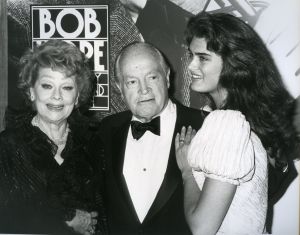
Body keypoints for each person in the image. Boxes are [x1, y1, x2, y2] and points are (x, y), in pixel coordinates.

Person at [175, 12, 297, 235]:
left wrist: (187, 172)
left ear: (233, 63)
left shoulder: (228, 124)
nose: (191, 66)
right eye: (191, 55)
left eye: (202, 58)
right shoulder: (249, 123)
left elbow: (202, 228)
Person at [98, 41, 207, 235]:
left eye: (152, 77)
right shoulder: (105, 130)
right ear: (119, 87)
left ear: (166, 78)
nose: (144, 90)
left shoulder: (205, 125)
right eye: (132, 81)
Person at [0, 39, 107, 235]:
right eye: (47, 86)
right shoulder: (7, 147)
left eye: (67, 88)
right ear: (32, 92)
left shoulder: (93, 146)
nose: (57, 96)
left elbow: (103, 218)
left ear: (77, 97)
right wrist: (65, 220)